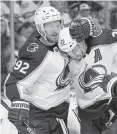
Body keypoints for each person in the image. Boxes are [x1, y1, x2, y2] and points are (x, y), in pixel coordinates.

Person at [4, 6, 70, 134]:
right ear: (40, 27)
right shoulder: (36, 53)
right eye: (49, 26)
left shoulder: (65, 40)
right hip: (39, 116)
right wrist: (17, 100)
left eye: (57, 25)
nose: (55, 30)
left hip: (60, 111)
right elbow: (12, 83)